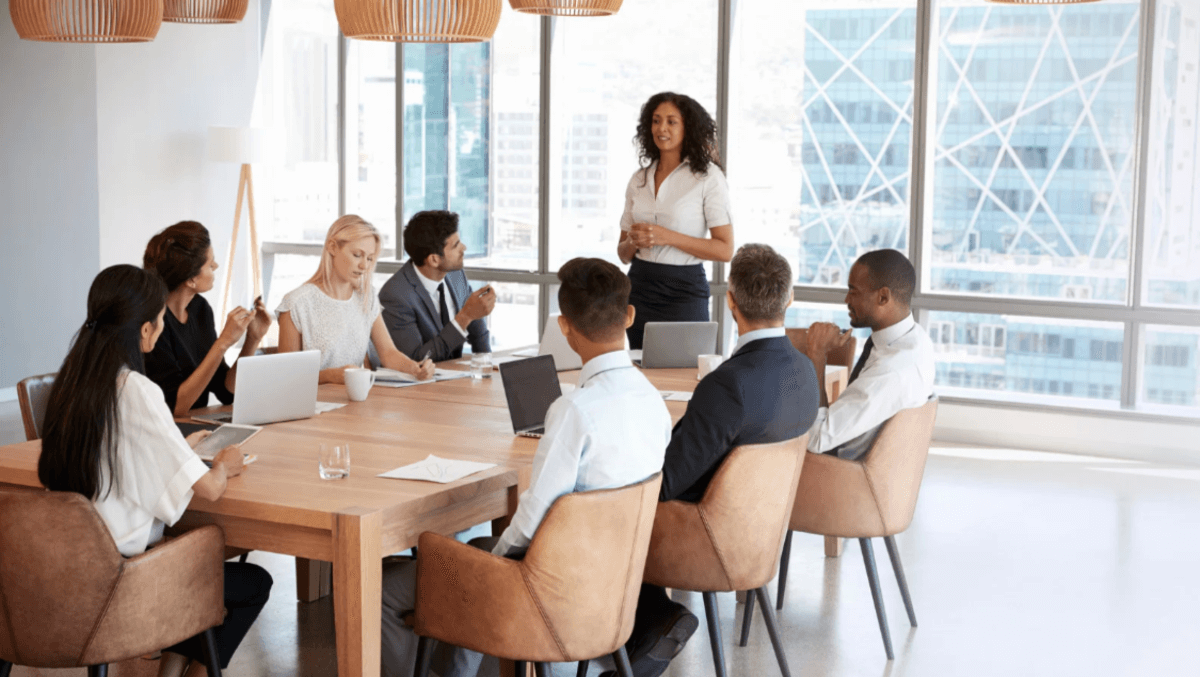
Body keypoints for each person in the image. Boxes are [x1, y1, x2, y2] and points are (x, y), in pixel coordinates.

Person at [379, 258, 673, 677]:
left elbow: (534, 518)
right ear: (629, 316)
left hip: (549, 593)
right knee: (475, 557)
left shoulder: (576, 410)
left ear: (565, 327)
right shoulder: (653, 402)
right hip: (613, 586)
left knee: (386, 589)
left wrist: (491, 569)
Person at [37, 264, 272, 677]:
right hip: (121, 581)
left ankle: (171, 670)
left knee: (193, 557)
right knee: (251, 582)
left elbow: (117, 452)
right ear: (145, 331)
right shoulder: (137, 390)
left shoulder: (71, 383)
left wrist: (176, 448)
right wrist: (224, 463)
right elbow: (210, 489)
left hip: (64, 568)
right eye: (160, 322)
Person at [615, 244, 820, 677]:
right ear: (790, 299)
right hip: (759, 536)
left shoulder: (727, 385)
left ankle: (647, 622)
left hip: (704, 538)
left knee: (602, 506)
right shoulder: (804, 371)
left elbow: (667, 482)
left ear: (730, 300)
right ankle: (648, 624)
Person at [617, 91, 735, 349]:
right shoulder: (639, 179)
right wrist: (634, 241)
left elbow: (725, 249)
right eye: (656, 120)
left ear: (687, 128)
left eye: (672, 121)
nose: (662, 128)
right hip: (639, 288)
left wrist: (665, 236)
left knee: (684, 373)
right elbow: (623, 254)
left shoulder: (708, 178)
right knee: (642, 369)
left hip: (684, 292)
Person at [801, 249, 935, 460]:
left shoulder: (889, 372)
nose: (846, 299)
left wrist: (817, 355)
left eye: (854, 292)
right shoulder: (917, 340)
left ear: (883, 297)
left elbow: (816, 440)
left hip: (834, 472)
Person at [277, 215, 435, 385]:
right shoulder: (296, 303)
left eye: (369, 258)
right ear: (332, 247)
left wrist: (416, 368)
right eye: (357, 255)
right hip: (312, 405)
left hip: (355, 401)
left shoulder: (366, 297)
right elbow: (287, 376)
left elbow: (388, 353)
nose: (364, 266)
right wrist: (329, 376)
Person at [143, 221, 271, 416]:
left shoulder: (199, 309)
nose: (216, 266)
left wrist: (252, 338)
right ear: (191, 279)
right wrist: (222, 343)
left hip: (197, 425)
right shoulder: (154, 324)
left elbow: (226, 391)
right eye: (210, 264)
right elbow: (175, 407)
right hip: (172, 431)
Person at [379, 210, 494, 362]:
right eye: (456, 245)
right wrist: (464, 316)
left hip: (458, 378)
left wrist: (487, 365)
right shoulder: (395, 295)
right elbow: (416, 360)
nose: (464, 248)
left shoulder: (455, 274)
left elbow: (477, 327)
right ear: (434, 260)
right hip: (422, 383)